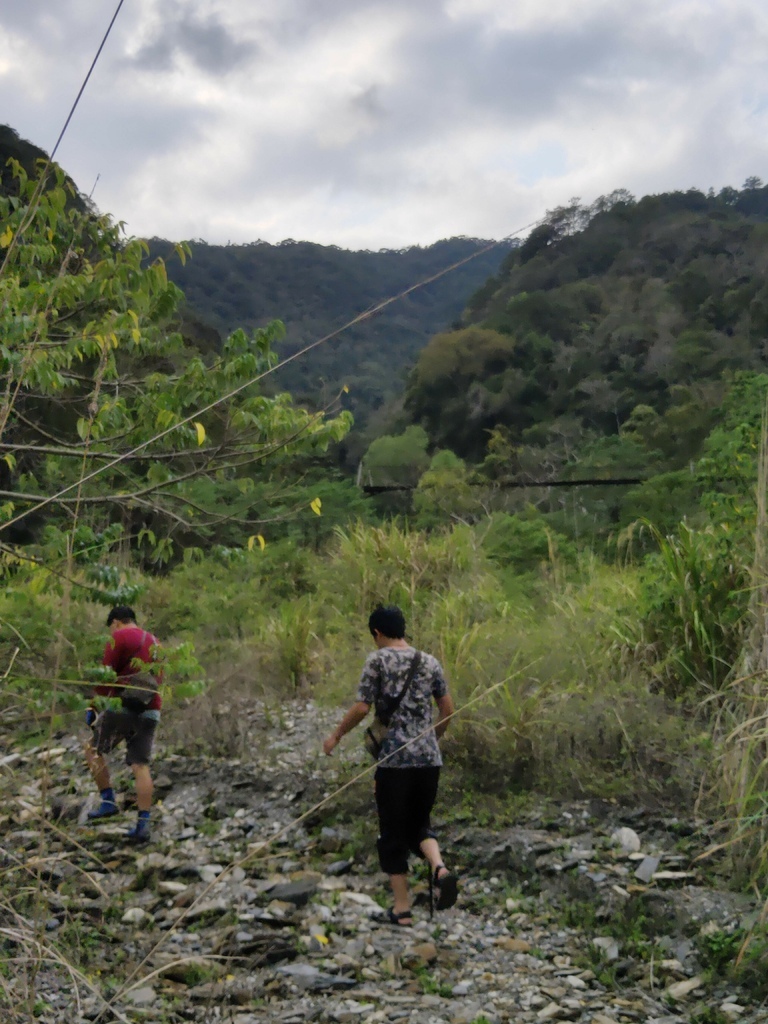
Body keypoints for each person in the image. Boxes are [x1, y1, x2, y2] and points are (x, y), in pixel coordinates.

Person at [323, 604, 458, 925]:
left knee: (392, 833)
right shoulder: (429, 661)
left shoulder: (377, 660)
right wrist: (431, 742)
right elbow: (448, 710)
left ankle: (402, 910)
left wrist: (336, 736)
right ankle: (440, 868)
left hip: (394, 764)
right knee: (419, 823)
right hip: (428, 761)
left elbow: (361, 707)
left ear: (377, 633)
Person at [84, 605, 162, 843]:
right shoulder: (156, 642)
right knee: (140, 765)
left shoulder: (119, 637)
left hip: (123, 707)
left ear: (116, 622)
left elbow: (106, 676)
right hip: (151, 709)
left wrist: (93, 707)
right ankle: (143, 825)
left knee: (92, 750)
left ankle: (108, 802)